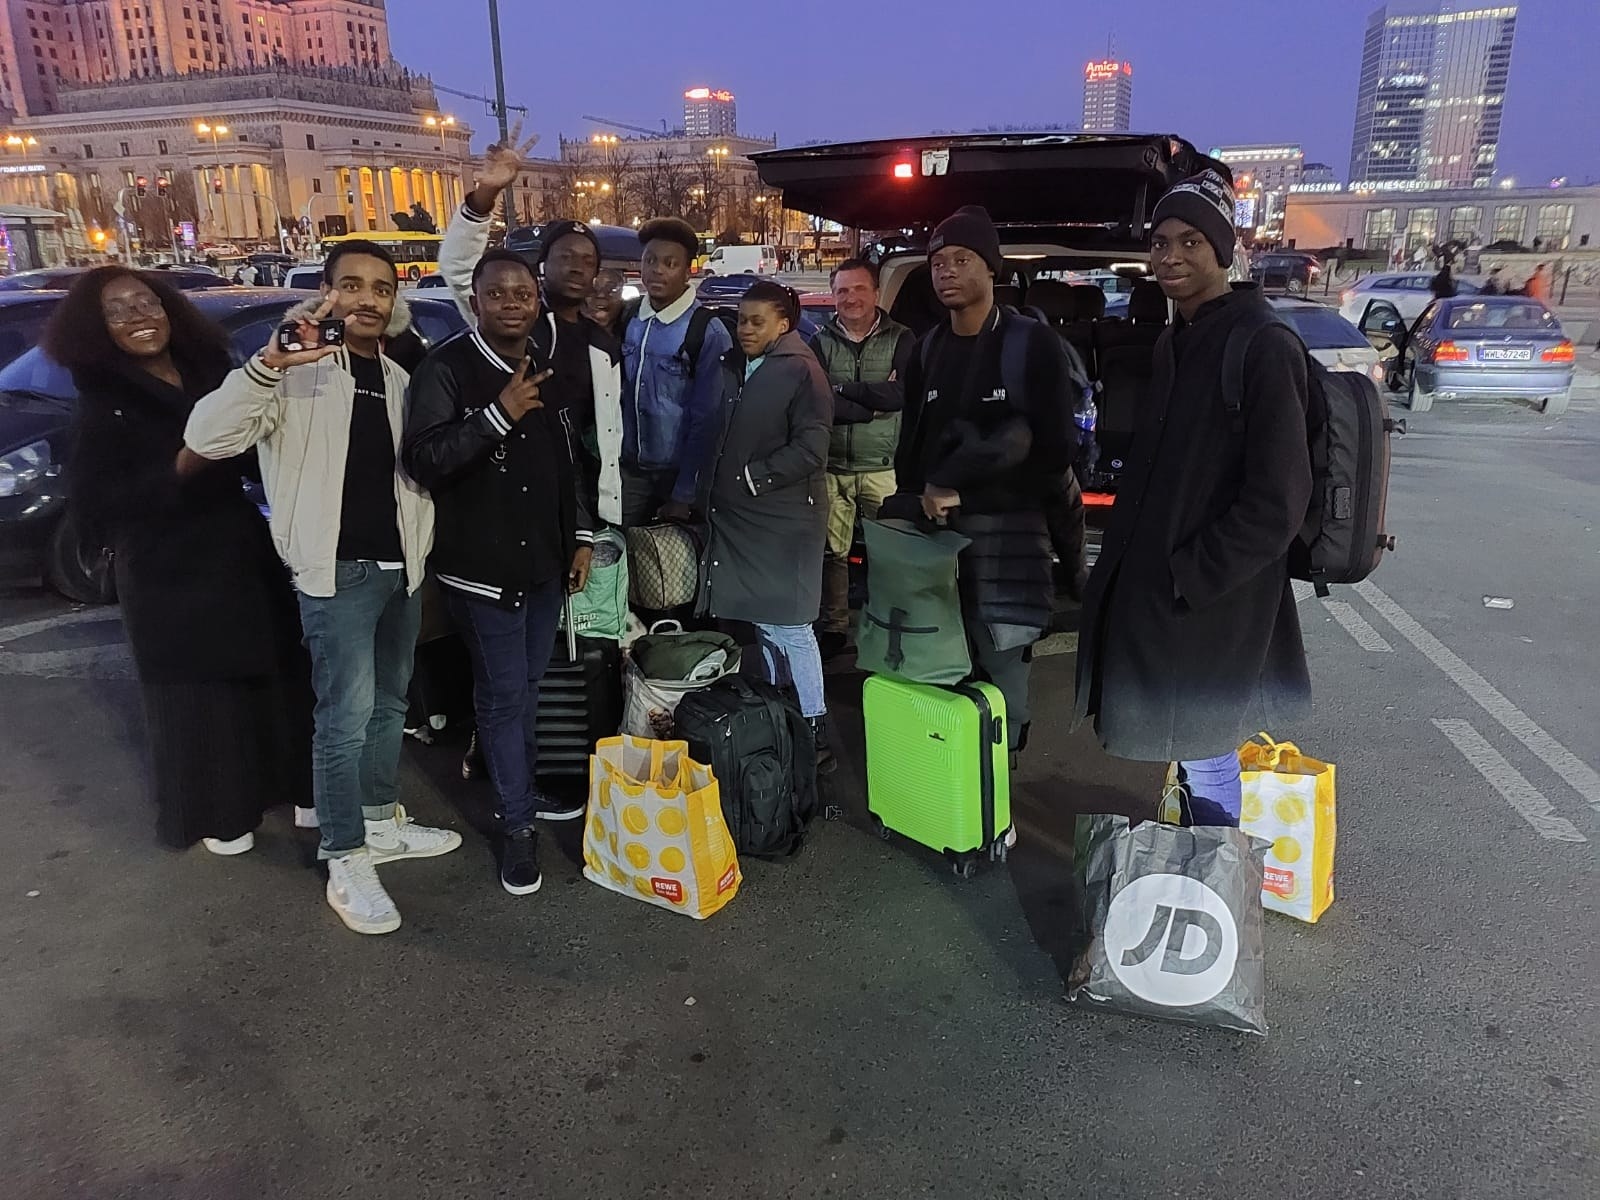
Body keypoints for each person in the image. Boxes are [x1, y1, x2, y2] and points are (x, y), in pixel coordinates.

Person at [184, 239, 459, 936]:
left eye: (381, 288)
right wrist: (269, 364)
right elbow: (209, 438)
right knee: (343, 716)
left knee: (388, 704)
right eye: (352, 285)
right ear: (327, 292)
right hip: (335, 574)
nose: (368, 299)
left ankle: (377, 821)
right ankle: (344, 854)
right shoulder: (296, 371)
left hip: (400, 570)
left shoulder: (400, 379)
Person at [1074, 170, 1313, 826]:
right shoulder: (1176, 338)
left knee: (1206, 746)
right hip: (1167, 588)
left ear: (1223, 250)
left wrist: (1191, 576)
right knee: (1189, 743)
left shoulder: (1261, 343)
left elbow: (1279, 498)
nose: (1170, 257)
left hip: (1211, 596)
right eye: (1159, 243)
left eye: (1190, 242)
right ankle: (1201, 867)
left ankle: (1218, 885)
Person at [47, 268, 312, 855]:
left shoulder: (207, 371)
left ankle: (286, 786)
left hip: (237, 547)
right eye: (118, 311)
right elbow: (103, 500)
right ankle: (221, 811)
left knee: (273, 673)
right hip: (169, 567)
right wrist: (189, 460)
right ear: (96, 328)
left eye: (147, 303)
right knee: (201, 696)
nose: (139, 316)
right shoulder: (102, 400)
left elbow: (251, 443)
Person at [403, 250, 593, 896]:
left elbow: (571, 458)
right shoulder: (446, 368)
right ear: (476, 300)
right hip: (482, 570)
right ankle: (516, 826)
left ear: (535, 301)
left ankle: (515, 783)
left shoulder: (545, 359)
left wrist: (582, 537)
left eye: (522, 293)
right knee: (505, 694)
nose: (512, 303)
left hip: (545, 563)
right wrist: (497, 415)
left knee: (527, 688)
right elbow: (425, 460)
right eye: (498, 294)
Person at [894, 206, 1079, 760]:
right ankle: (947, 803)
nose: (946, 271)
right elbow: (911, 446)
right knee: (936, 680)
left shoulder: (1031, 345)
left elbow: (1055, 453)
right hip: (936, 549)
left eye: (962, 259)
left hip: (1009, 544)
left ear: (991, 268)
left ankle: (996, 806)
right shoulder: (927, 348)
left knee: (1002, 692)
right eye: (937, 262)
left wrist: (967, 492)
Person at [439, 121, 623, 532]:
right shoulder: (516, 322)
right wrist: (486, 195)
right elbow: (458, 269)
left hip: (580, 506)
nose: (577, 266)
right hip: (508, 500)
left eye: (587, 261)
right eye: (565, 257)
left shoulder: (603, 344)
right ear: (542, 266)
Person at [699, 281, 835, 770]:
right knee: (767, 620)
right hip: (748, 520)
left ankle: (816, 725)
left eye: (758, 321)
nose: (746, 329)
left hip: (782, 519)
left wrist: (754, 479)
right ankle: (783, 709)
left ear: (785, 323)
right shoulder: (743, 365)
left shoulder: (801, 370)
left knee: (792, 625)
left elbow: (811, 449)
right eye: (741, 320)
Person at [808, 257, 913, 657]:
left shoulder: (901, 338)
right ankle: (834, 626)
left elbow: (902, 394)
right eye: (842, 291)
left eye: (858, 289)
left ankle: (886, 621)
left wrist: (843, 390)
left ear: (875, 293)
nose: (850, 298)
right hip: (832, 465)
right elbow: (818, 401)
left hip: (881, 467)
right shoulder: (819, 341)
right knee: (831, 553)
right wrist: (872, 400)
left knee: (888, 553)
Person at [621, 216, 734, 525]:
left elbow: (708, 420)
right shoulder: (629, 317)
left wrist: (684, 493)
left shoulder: (705, 331)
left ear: (687, 270)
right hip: (629, 472)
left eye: (670, 263)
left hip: (678, 478)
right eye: (650, 260)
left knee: (673, 567)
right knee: (623, 560)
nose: (657, 270)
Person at [584, 268, 627, 339]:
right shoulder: (571, 334)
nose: (601, 295)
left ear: (621, 299)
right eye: (593, 290)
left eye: (611, 289)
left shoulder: (632, 337)